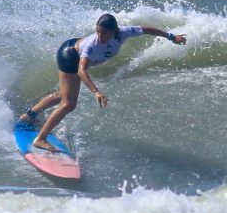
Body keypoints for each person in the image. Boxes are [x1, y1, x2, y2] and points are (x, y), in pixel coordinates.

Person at [20, 13, 186, 152]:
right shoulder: (92, 45)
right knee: (69, 104)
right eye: (98, 32)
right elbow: (81, 71)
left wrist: (171, 36)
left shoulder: (124, 32)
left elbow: (146, 29)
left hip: (74, 49)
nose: (100, 37)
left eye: (104, 33)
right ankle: (40, 139)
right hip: (70, 56)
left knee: (63, 96)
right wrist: (96, 91)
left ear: (114, 32)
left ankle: (30, 115)